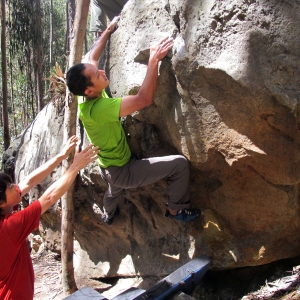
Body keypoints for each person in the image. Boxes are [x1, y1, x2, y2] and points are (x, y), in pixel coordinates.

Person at [66, 17, 200, 225]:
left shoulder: (85, 92)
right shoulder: (98, 109)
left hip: (108, 167)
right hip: (123, 171)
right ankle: (177, 210)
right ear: (89, 90)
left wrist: (108, 31)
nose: (102, 72)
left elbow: (92, 55)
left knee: (113, 192)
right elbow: (144, 99)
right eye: (97, 75)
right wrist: (153, 60)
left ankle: (109, 215)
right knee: (179, 165)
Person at [0, 136, 99, 300]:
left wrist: (61, 155)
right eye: (10, 187)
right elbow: (49, 198)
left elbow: (30, 181)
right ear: (1, 203)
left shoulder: (6, 209)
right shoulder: (8, 228)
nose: (16, 187)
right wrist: (74, 167)